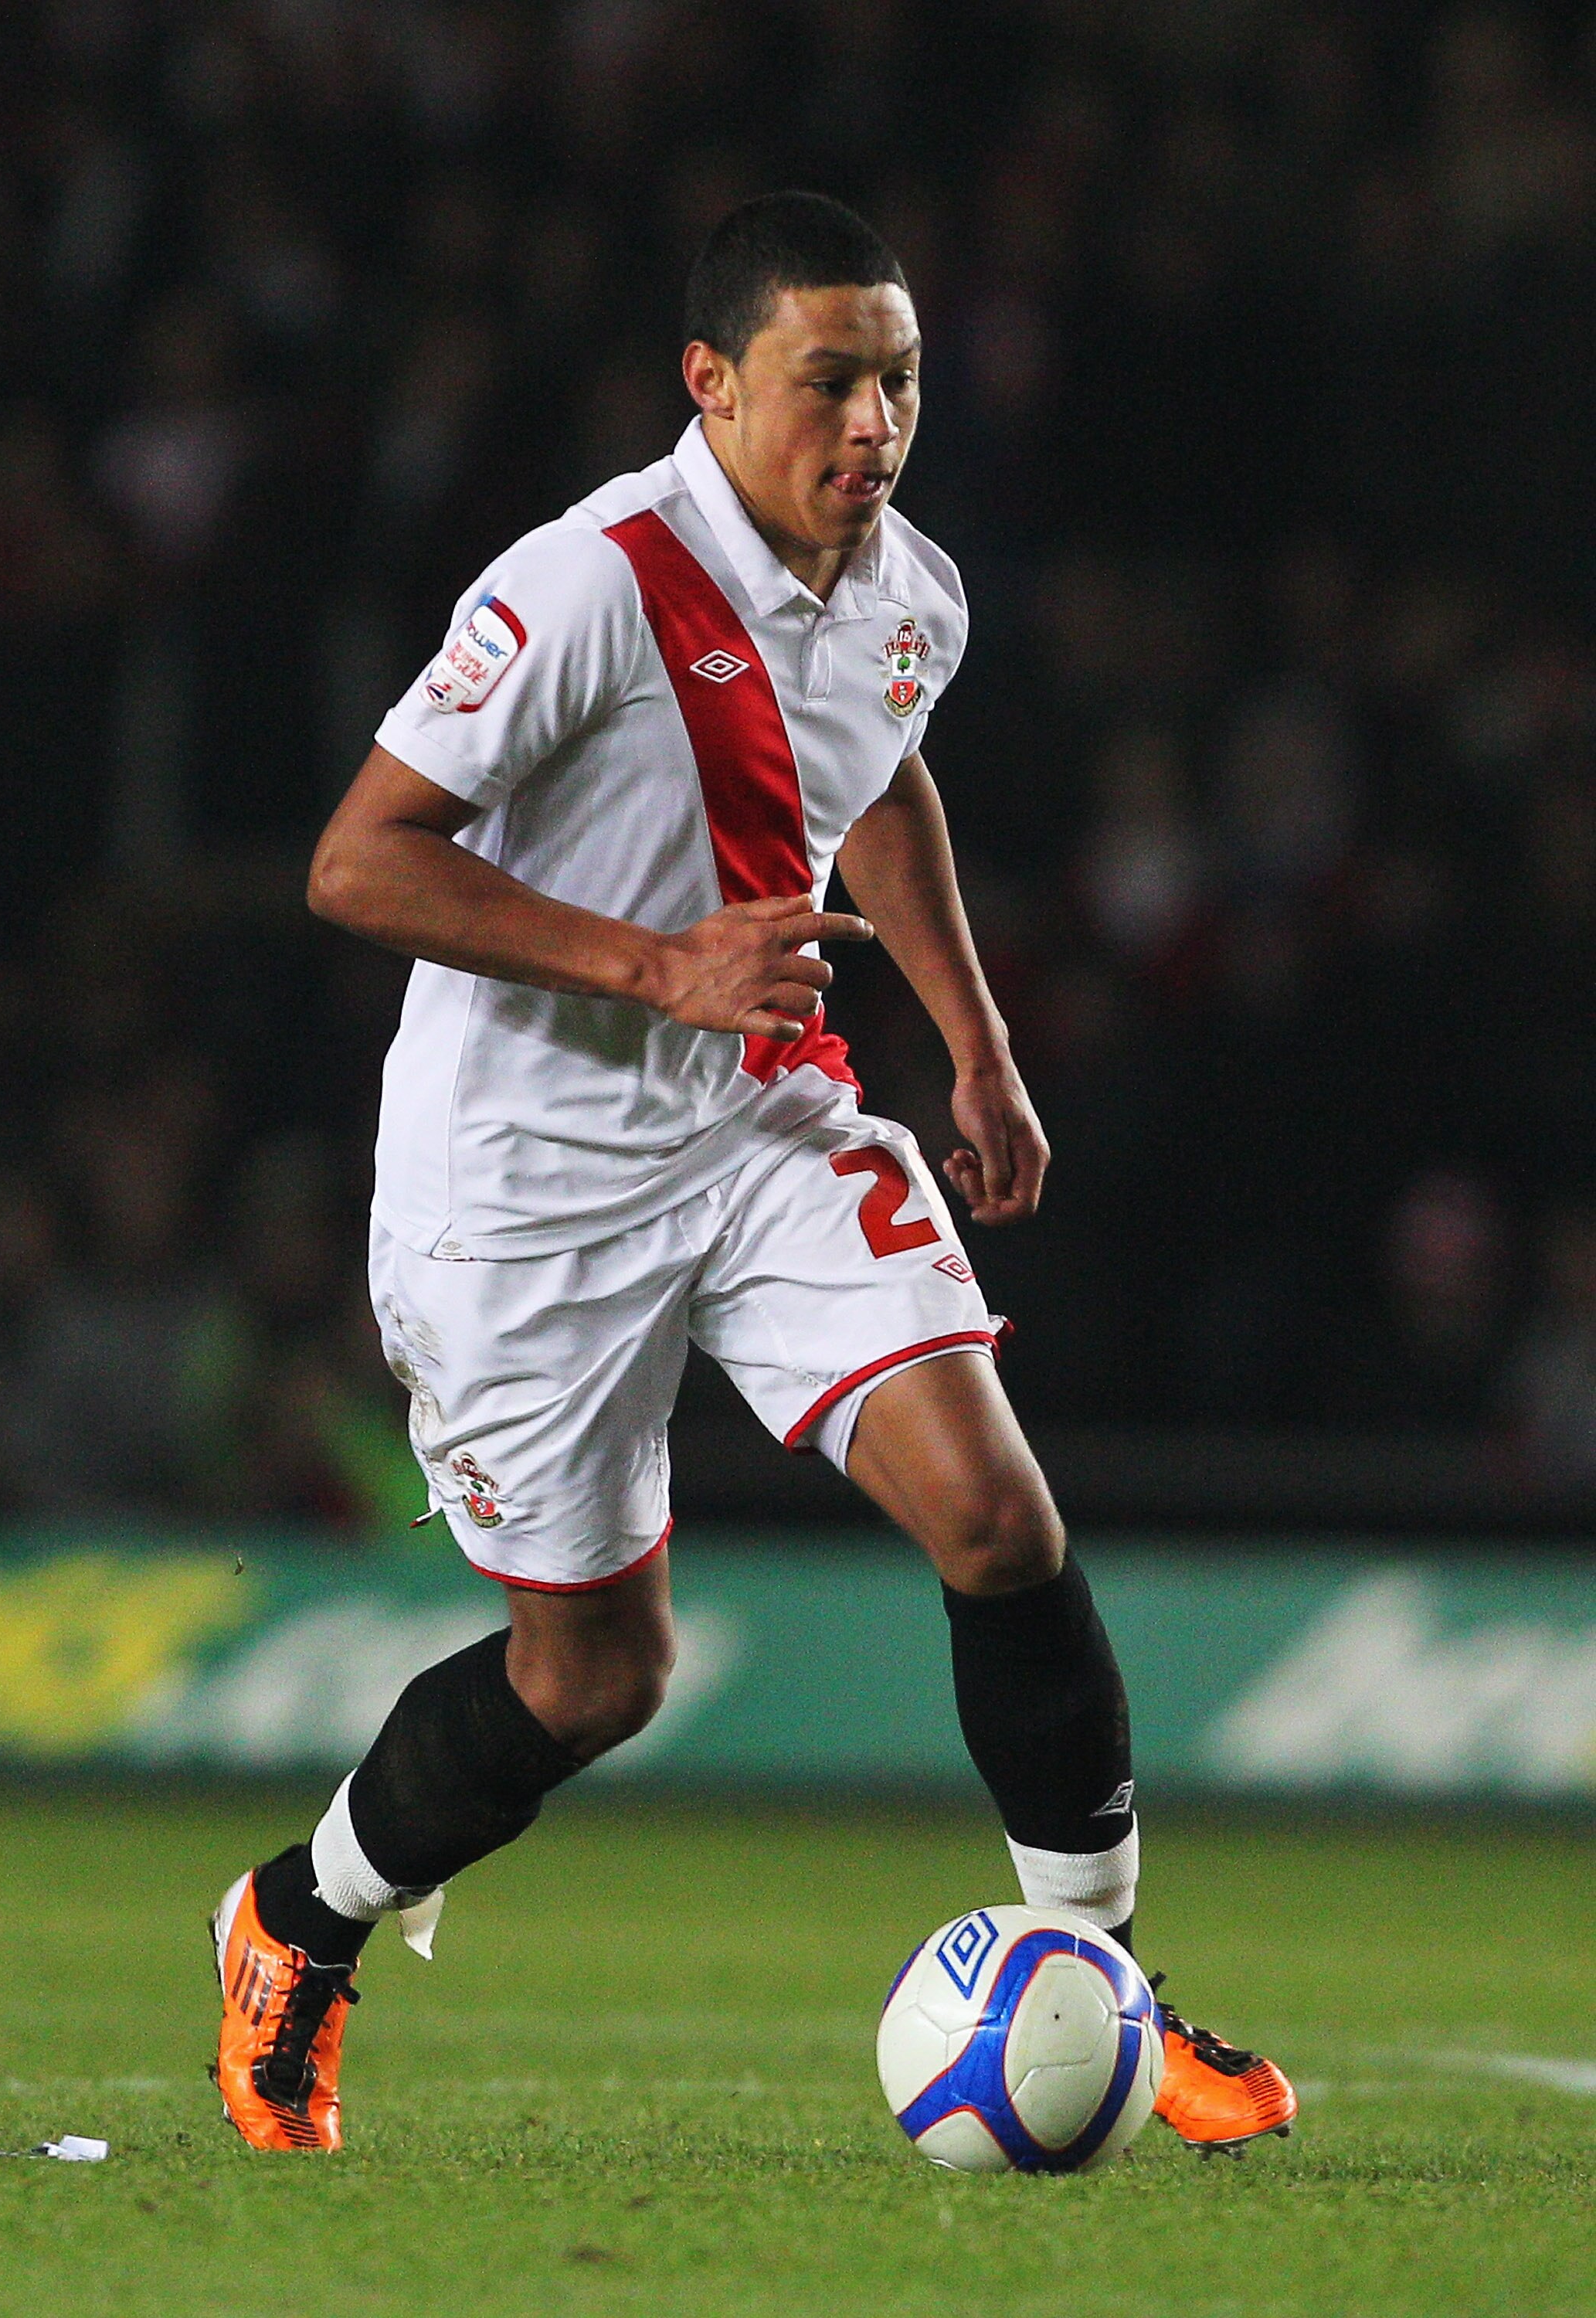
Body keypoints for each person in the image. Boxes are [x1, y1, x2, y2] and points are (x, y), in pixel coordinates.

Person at [210, 192, 1295, 2158]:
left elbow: (870, 772)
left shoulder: (914, 589)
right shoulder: (585, 585)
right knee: (596, 1676)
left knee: (994, 1517)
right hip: (524, 1181)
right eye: (830, 380)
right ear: (713, 386)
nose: (873, 421)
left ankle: (1110, 1975)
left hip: (764, 1114)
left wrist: (973, 1035)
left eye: (898, 380)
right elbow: (356, 861)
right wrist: (660, 962)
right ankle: (299, 1921)